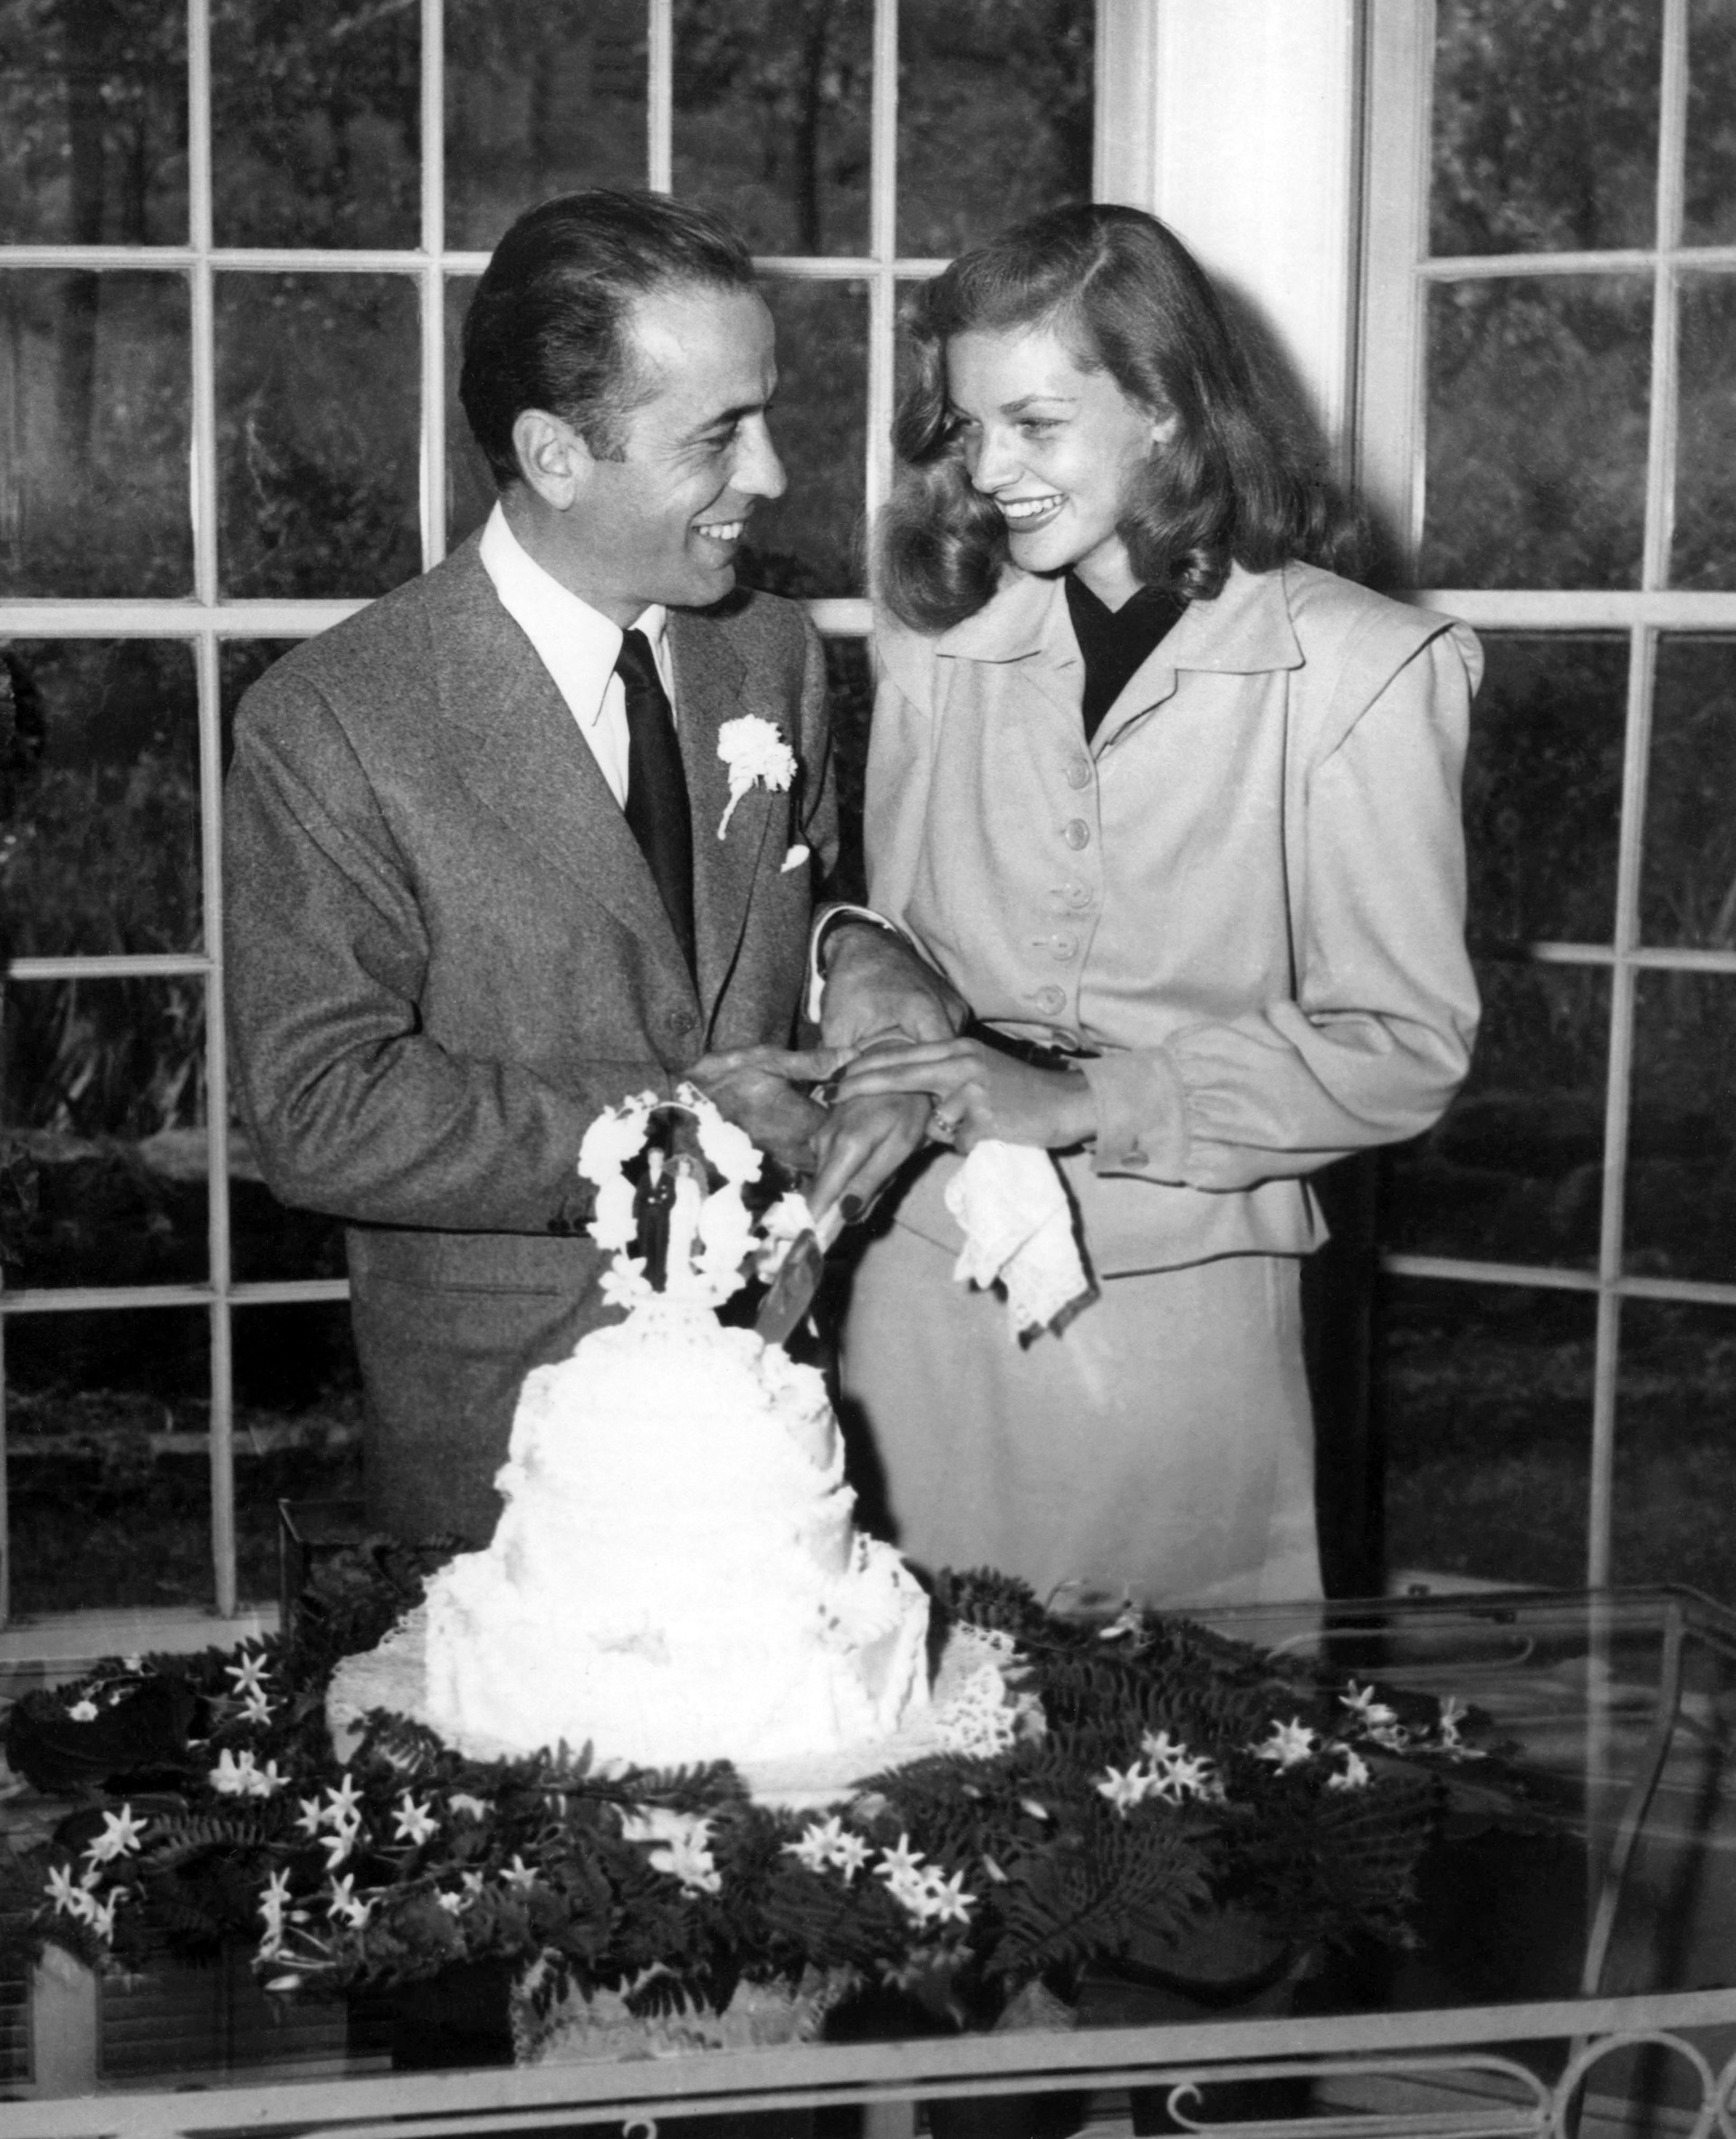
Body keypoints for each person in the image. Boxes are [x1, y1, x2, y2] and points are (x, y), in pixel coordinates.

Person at [815, 202, 1482, 1612]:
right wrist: (859, 957)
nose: (988, 469)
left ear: (1166, 409)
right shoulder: (936, 641)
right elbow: (898, 924)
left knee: (1159, 1730)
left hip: (1179, 1310)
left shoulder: (1362, 667)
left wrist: (1082, 1101)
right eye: (968, 426)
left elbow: (1402, 1044)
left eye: (1035, 424)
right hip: (921, 1280)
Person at [225, 188, 906, 1549]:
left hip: (771, 1405)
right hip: (511, 1443)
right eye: (718, 434)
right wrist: (680, 1123)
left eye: (763, 418)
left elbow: (798, 899)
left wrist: (868, 954)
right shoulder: (335, 721)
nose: (771, 474)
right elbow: (320, 1109)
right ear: (553, 453)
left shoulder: (769, 651)